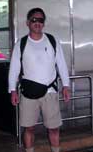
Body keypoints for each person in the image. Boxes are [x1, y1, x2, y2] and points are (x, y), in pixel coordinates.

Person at [8, 8, 70, 152]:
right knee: (29, 128)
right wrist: (12, 90)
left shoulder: (52, 41)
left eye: (40, 20)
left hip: (50, 92)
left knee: (54, 128)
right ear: (27, 23)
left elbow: (61, 63)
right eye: (34, 20)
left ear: (44, 23)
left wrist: (66, 86)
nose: (37, 23)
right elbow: (14, 69)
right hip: (28, 93)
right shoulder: (21, 43)